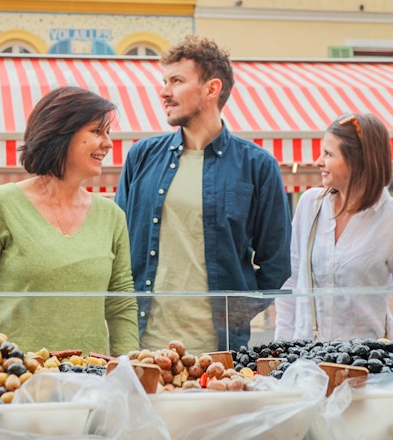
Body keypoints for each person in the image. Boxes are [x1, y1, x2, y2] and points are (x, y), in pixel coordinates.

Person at [115, 35, 291, 353]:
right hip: (141, 346)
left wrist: (235, 314)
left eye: (177, 81)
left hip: (219, 352)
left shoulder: (258, 166)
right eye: (164, 81)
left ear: (211, 89)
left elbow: (276, 263)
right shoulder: (141, 157)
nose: (164, 92)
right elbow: (117, 247)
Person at [0, 86, 139, 356]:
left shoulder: (112, 216)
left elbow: (120, 304)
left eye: (107, 133)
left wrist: (129, 368)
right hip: (14, 379)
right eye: (97, 132)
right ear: (61, 133)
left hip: (88, 380)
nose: (108, 143)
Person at [275, 112, 393, 342]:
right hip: (308, 360)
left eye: (328, 154)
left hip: (367, 365)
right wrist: (281, 348)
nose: (318, 161)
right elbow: (291, 280)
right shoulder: (310, 204)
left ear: (358, 161)